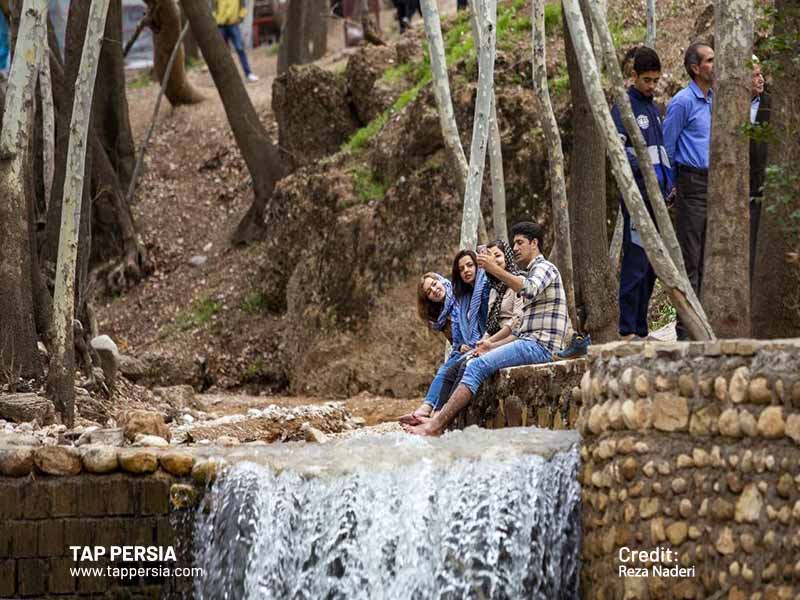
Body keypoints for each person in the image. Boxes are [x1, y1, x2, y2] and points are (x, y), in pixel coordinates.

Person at [404, 222, 569, 436]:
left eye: (520, 243)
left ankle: (435, 425)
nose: (516, 248)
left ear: (534, 243)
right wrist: (488, 343)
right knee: (463, 363)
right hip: (527, 342)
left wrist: (493, 268)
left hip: (539, 346)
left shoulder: (544, 268)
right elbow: (516, 327)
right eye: (514, 243)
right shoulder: (523, 275)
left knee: (476, 366)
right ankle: (436, 417)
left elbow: (527, 291)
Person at [611, 47, 672, 340]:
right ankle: (627, 329)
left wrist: (668, 182)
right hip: (637, 198)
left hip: (659, 197)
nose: (652, 86)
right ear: (633, 76)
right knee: (635, 261)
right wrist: (643, 169)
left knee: (651, 267)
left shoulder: (653, 107)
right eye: (647, 80)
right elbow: (617, 151)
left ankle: (641, 327)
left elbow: (661, 152)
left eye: (656, 80)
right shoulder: (624, 107)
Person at [400, 251, 490, 425]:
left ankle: (435, 411)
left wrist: (467, 344)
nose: (434, 290)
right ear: (427, 298)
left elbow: (478, 320)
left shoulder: (460, 294)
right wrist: (460, 346)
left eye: (434, 284)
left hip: (478, 342)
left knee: (449, 370)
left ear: (441, 280)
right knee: (444, 369)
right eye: (429, 291)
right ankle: (426, 409)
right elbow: (454, 342)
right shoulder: (440, 316)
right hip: (461, 349)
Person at [433, 240, 522, 412]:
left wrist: (489, 343)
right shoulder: (495, 289)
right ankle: (437, 413)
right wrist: (482, 343)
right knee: (450, 371)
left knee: (467, 366)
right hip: (491, 340)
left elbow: (515, 323)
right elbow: (490, 325)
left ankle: (446, 417)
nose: (466, 271)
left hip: (508, 340)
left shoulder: (516, 283)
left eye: (498, 256)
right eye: (461, 269)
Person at [663, 41, 714, 339]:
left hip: (716, 183)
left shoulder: (716, 99)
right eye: (709, 61)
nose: (714, 65)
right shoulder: (683, 102)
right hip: (691, 183)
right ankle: (686, 330)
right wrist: (672, 185)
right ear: (695, 68)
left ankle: (707, 324)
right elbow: (668, 147)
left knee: (711, 257)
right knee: (691, 258)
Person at [748, 55, 770, 280]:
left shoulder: (771, 106)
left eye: (761, 74)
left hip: (762, 190)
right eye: (755, 75)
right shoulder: (724, 105)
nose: (761, 79)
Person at [213, 0, 258, 82]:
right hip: (220, 25)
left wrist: (241, 17)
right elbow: (213, 7)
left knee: (240, 49)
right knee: (222, 52)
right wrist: (215, 19)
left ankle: (248, 74)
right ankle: (226, 77)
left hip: (233, 24)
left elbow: (243, 5)